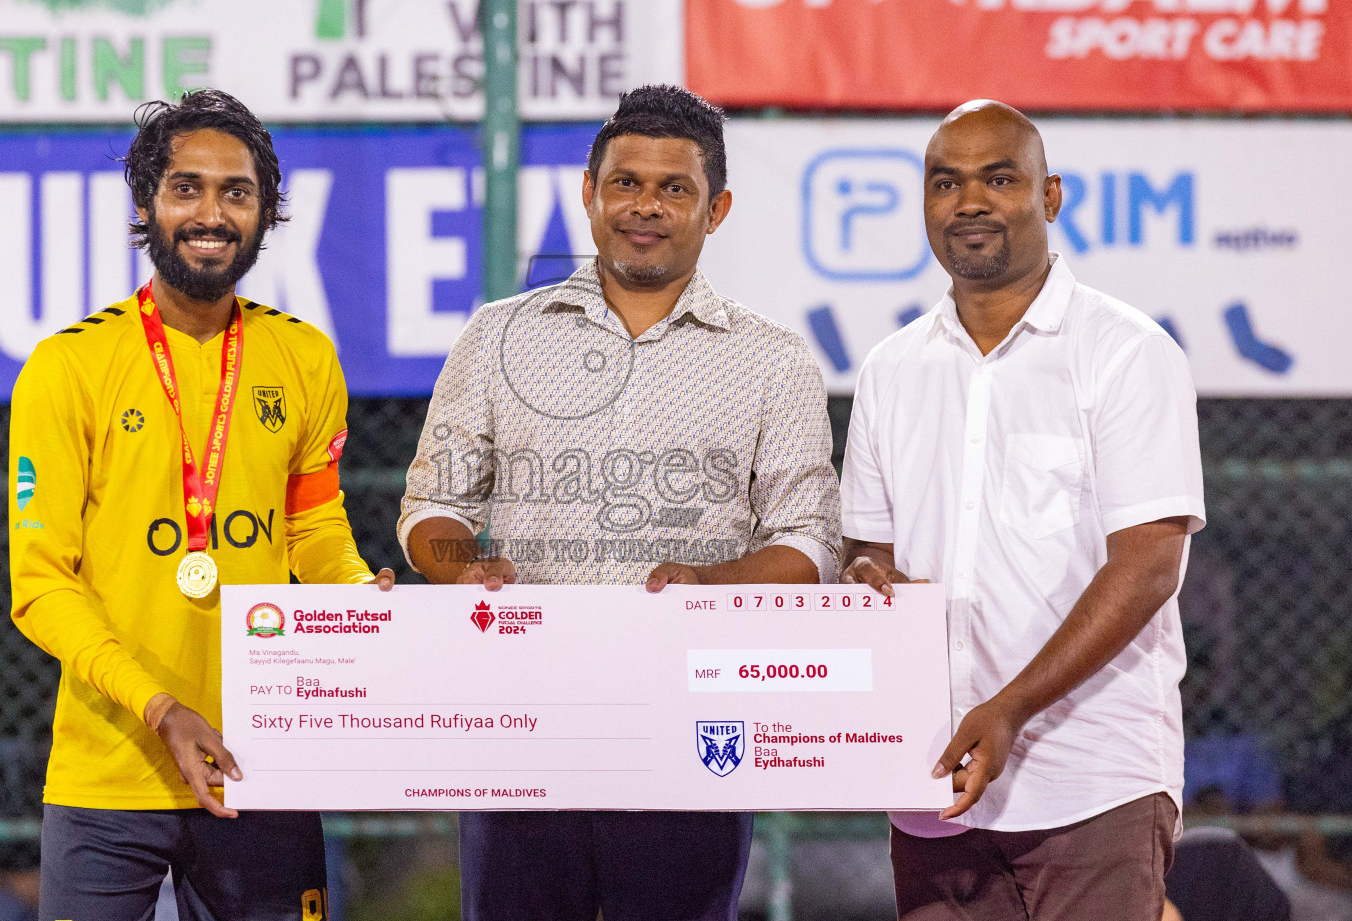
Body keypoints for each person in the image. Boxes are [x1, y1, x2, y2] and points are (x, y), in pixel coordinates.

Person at [399, 84, 841, 920]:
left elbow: (811, 541)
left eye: (675, 188)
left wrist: (713, 584)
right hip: (520, 714)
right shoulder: (497, 335)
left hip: (692, 719)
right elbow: (432, 505)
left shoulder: (773, 361)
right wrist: (458, 568)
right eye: (626, 183)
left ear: (717, 210)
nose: (647, 206)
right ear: (589, 195)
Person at [10, 89, 393, 920]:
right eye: (186, 188)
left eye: (236, 191)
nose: (212, 213)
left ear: (265, 212)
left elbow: (315, 528)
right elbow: (42, 586)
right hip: (110, 767)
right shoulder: (67, 366)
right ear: (147, 204)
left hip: (266, 755)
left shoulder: (303, 355)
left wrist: (359, 601)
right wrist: (161, 708)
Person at [839, 100, 1206, 919]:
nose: (969, 201)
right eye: (946, 183)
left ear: (1051, 197)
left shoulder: (1127, 352)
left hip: (1093, 778)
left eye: (999, 178)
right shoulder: (890, 370)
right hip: (934, 784)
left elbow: (1148, 569)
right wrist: (865, 582)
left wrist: (1006, 709)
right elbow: (868, 552)